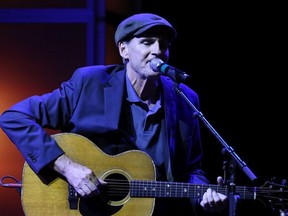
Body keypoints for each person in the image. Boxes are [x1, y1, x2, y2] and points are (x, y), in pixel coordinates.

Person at [0, 13, 228, 215]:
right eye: (147, 42)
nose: (158, 51)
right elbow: (14, 117)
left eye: (164, 44)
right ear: (123, 49)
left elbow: (191, 170)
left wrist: (204, 196)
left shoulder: (185, 98)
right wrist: (68, 167)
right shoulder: (89, 84)